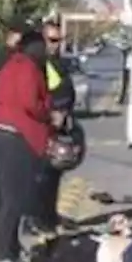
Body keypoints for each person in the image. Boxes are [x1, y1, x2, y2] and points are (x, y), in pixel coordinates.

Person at [0, 28, 53, 262]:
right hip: (15, 137)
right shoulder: (30, 68)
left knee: (2, 198)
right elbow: (31, 103)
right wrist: (47, 110)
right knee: (14, 200)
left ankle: (6, 250)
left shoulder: (8, 65)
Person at [28, 22, 79, 234]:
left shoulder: (56, 63)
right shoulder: (38, 65)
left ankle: (49, 216)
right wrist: (53, 113)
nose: (57, 45)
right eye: (52, 40)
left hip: (59, 126)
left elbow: (65, 90)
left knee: (53, 176)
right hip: (43, 127)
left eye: (60, 40)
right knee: (39, 177)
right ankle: (36, 220)